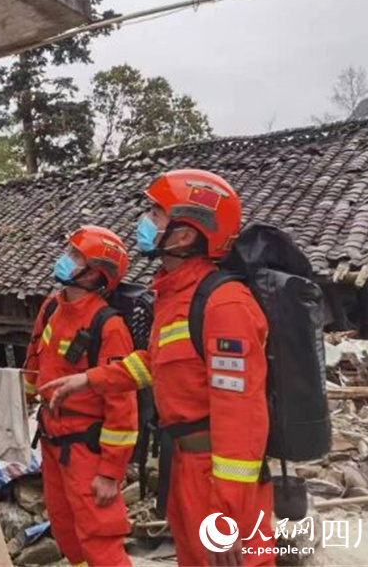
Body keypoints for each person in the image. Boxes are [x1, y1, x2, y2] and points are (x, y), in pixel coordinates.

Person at [40, 170, 275, 567]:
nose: (146, 221)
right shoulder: (174, 295)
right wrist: (89, 379)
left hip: (219, 477)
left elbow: (242, 417)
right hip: (185, 465)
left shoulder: (224, 305)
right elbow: (156, 363)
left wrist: (229, 513)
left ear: (185, 233)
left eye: (156, 213)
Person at [24, 225, 137, 567]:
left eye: (76, 256)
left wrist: (110, 471)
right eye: (69, 251)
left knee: (100, 539)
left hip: (85, 448)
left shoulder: (108, 326)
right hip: (52, 441)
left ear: (94, 274)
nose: (65, 259)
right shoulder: (51, 309)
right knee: (66, 530)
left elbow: (123, 403)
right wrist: (22, 399)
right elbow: (33, 361)